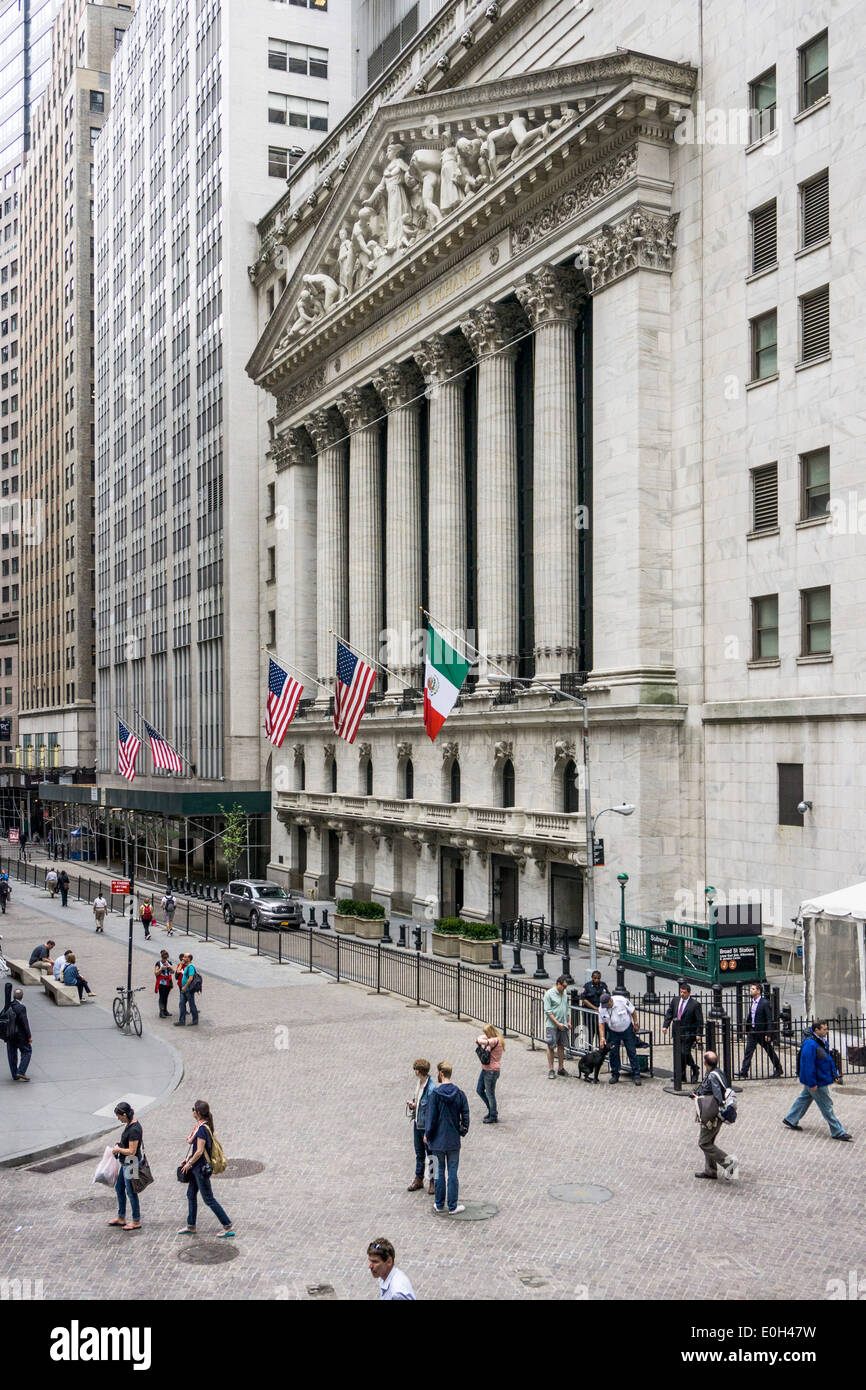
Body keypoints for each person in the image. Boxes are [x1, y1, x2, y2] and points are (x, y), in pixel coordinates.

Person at [783, 1020, 853, 1141]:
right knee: (827, 1106)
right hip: (817, 1081)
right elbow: (807, 1065)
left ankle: (791, 1119)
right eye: (824, 1029)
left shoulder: (820, 1041)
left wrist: (834, 1073)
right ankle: (838, 1131)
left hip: (818, 1078)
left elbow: (827, 1059)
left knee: (804, 1098)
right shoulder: (810, 1044)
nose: (827, 1031)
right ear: (817, 1030)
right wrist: (812, 1083)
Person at [177, 1100, 234, 1237]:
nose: (192, 1111)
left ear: (197, 1113)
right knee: (190, 1195)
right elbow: (197, 1149)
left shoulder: (202, 1129)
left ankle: (228, 1226)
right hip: (196, 1168)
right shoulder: (202, 1126)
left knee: (208, 1199)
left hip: (200, 1169)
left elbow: (200, 1151)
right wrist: (189, 1159)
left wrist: (189, 1163)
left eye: (193, 1109)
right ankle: (191, 1226)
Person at [424, 1061, 469, 1215]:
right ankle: (452, 1205)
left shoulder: (435, 1095)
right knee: (453, 1173)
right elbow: (465, 1113)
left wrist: (428, 1136)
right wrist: (462, 1130)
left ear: (441, 1073)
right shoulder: (459, 1093)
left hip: (437, 1140)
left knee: (438, 1172)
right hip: (453, 1140)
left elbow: (431, 1118)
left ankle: (439, 1203)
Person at [692, 1051, 738, 1181]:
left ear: (705, 1062)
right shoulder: (718, 1072)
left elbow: (717, 1096)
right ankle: (710, 1170)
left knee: (704, 1143)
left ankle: (729, 1164)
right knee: (709, 1140)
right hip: (714, 1113)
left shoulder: (712, 1076)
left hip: (711, 1114)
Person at [108, 1101, 144, 1232]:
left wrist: (118, 1149)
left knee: (131, 1192)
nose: (118, 1118)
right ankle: (121, 1217)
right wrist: (120, 1145)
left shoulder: (134, 1129)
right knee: (119, 1188)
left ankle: (136, 1220)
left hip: (131, 1163)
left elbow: (132, 1151)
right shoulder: (129, 1124)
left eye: (119, 1116)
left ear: (124, 1114)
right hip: (125, 1163)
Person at [738, 983, 782, 1079]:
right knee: (748, 1051)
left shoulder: (764, 1003)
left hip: (762, 1033)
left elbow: (769, 1019)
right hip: (753, 1032)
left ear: (758, 991)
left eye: (753, 989)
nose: (751, 990)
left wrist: (768, 1033)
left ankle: (779, 1068)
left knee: (769, 1051)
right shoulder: (753, 1002)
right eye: (751, 989)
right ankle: (744, 1070)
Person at [662, 981, 704, 1084]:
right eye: (681, 992)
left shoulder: (695, 1004)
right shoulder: (675, 1001)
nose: (682, 994)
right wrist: (665, 1025)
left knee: (684, 1052)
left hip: (689, 1033)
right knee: (678, 1054)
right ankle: (681, 1075)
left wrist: (699, 1034)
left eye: (684, 992)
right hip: (677, 1032)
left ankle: (694, 1069)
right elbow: (670, 1013)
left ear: (689, 993)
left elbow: (699, 1020)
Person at [598, 989, 642, 1086]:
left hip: (627, 1029)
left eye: (607, 1005)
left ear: (610, 1000)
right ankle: (615, 1074)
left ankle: (636, 1075)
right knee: (613, 1053)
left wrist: (636, 1023)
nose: (606, 1007)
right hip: (613, 1031)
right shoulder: (602, 1008)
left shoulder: (621, 1000)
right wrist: (602, 1037)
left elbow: (633, 1011)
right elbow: (601, 1023)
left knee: (631, 1051)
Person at [407, 1058, 436, 1193]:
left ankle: (432, 1181)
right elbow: (419, 1101)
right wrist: (414, 1105)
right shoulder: (419, 1084)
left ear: (418, 1071)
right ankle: (418, 1178)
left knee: (430, 1154)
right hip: (417, 1123)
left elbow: (432, 1111)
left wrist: (428, 1131)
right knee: (419, 1153)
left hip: (426, 1126)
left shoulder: (430, 1089)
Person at [475, 1023, 504, 1124]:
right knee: (479, 1090)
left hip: (491, 1071)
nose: (485, 1035)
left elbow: (480, 1040)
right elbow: (480, 1038)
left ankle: (493, 1115)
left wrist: (481, 1039)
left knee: (490, 1093)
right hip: (486, 1069)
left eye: (487, 1033)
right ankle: (491, 1110)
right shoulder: (493, 1039)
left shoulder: (494, 1041)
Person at [543, 975, 572, 1079]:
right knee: (551, 1046)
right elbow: (548, 1011)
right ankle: (551, 1069)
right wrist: (557, 1023)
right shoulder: (549, 994)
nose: (564, 989)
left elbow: (566, 1008)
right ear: (558, 984)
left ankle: (561, 1068)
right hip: (552, 1025)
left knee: (561, 1046)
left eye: (566, 987)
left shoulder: (564, 993)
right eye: (563, 986)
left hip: (562, 1024)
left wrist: (568, 1021)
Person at [4, 982, 32, 1081]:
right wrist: (29, 1036)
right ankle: (21, 1071)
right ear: (22, 997)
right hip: (20, 1035)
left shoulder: (8, 1006)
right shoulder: (21, 1008)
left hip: (9, 1035)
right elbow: (25, 1023)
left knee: (12, 1054)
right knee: (27, 1051)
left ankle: (14, 1074)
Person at [175, 953, 198, 1026]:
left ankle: (195, 1020)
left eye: (185, 957)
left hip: (188, 990)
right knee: (181, 1004)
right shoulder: (187, 966)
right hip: (184, 989)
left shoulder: (191, 967)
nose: (183, 958)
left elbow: (190, 978)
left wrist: (185, 987)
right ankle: (182, 1020)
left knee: (191, 1005)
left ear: (189, 959)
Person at [154, 950, 174, 1018]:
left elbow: (173, 972)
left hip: (168, 982)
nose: (165, 960)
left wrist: (171, 968)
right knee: (161, 997)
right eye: (164, 959)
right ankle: (161, 1012)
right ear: (162, 957)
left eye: (166, 959)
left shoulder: (169, 962)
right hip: (161, 983)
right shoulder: (158, 963)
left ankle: (165, 1010)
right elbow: (156, 973)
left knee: (166, 997)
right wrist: (161, 969)